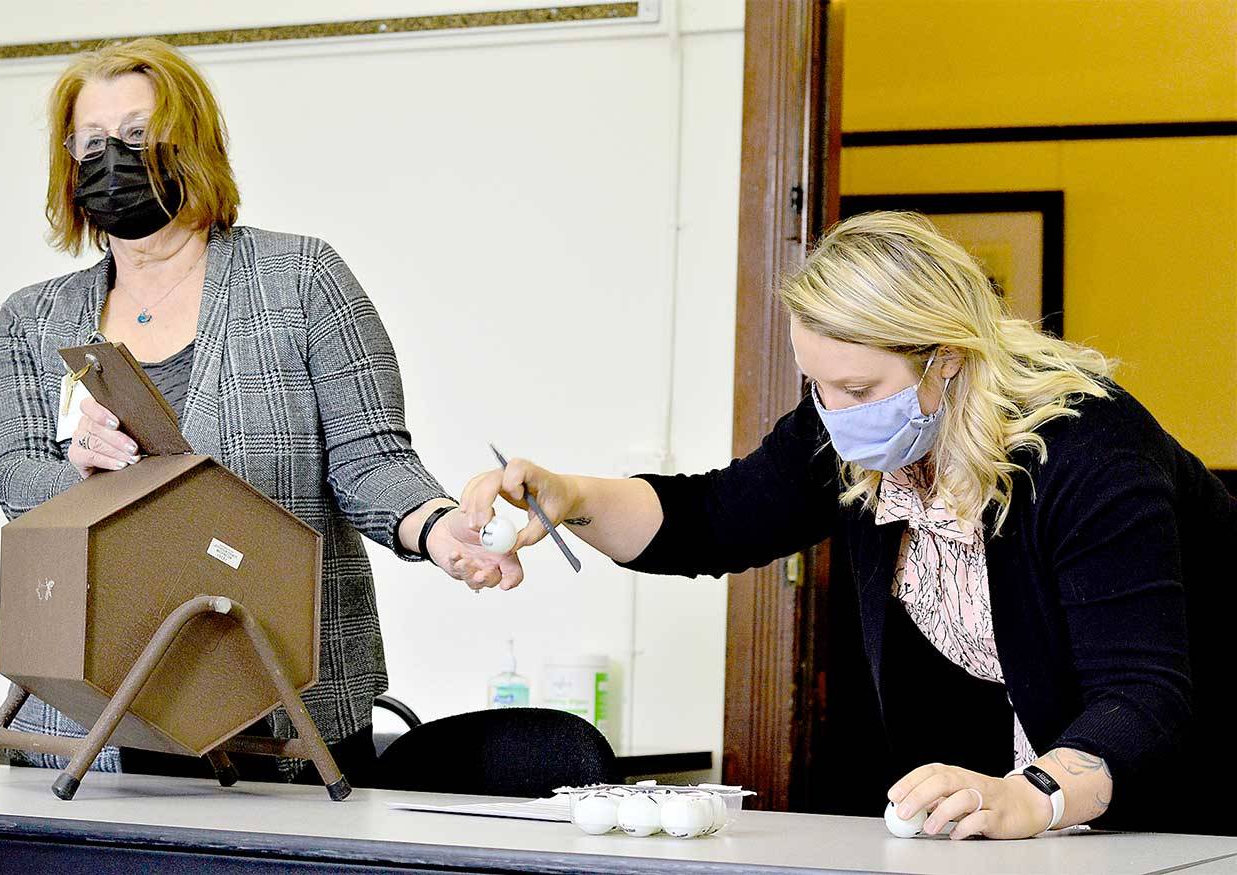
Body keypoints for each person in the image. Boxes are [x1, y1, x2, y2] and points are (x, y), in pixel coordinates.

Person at [461, 211, 1237, 838]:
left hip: (1188, 794)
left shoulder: (1090, 450)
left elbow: (1144, 695)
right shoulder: (849, 426)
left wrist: (1031, 796)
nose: (836, 415)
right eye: (819, 386)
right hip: (1041, 807)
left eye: (860, 386)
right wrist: (568, 495)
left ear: (949, 359)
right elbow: (713, 519)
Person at [0, 37, 516, 786]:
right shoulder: (35, 320)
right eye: (91, 141)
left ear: (190, 144)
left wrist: (436, 527)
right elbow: (16, 480)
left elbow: (371, 460)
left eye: (139, 136)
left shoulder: (302, 280)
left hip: (287, 712)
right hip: (93, 726)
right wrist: (82, 473)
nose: (113, 158)